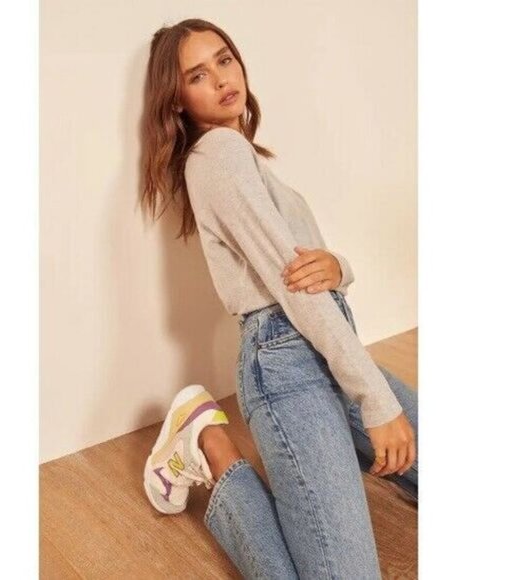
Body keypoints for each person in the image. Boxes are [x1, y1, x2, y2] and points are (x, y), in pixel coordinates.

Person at [141, 18, 417, 580]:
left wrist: (340, 266)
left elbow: (306, 272)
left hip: (324, 346)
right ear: (177, 102)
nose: (222, 78)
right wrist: (376, 400)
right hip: (288, 366)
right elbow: (293, 292)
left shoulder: (244, 160)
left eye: (224, 60)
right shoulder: (217, 155)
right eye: (197, 75)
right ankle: (208, 442)